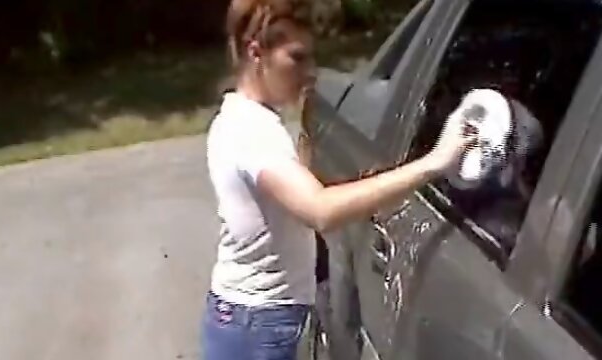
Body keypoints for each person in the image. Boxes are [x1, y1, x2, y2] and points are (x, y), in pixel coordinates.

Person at [202, 0, 475, 359]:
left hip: (250, 318)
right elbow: (320, 211)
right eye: (297, 58)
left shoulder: (244, 116)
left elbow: (289, 191)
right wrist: (435, 162)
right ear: (257, 53)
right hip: (258, 324)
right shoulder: (252, 133)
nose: (310, 71)